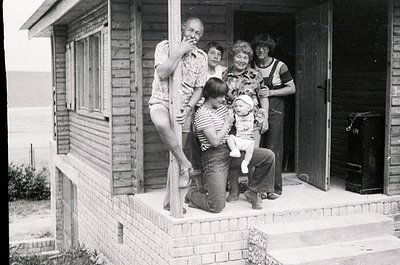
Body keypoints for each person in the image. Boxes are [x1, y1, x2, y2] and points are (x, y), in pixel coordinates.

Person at [185, 77, 276, 212]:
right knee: (216, 205)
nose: (223, 99)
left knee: (268, 156)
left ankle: (253, 191)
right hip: (214, 157)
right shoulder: (202, 114)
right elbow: (215, 142)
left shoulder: (222, 108)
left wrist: (256, 117)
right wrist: (227, 123)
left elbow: (242, 111)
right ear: (210, 95)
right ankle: (192, 195)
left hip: (232, 150)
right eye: (220, 96)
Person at [149, 17, 208, 213]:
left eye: (198, 33)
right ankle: (186, 164)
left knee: (175, 152)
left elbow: (199, 89)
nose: (194, 36)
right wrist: (179, 52)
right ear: (183, 28)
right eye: (191, 30)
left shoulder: (201, 57)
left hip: (184, 109)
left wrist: (189, 107)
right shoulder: (164, 47)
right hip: (161, 100)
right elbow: (163, 73)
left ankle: (170, 201)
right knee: (162, 124)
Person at [221, 40, 278, 202]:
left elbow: (263, 97)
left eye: (245, 57)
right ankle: (234, 190)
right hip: (232, 124)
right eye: (239, 56)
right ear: (233, 57)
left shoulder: (255, 75)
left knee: (254, 156)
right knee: (233, 156)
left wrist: (265, 117)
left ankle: (254, 191)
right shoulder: (226, 75)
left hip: (252, 124)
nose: (242, 60)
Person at [252, 33, 296, 197]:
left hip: (275, 108)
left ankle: (274, 188)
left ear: (269, 49)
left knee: (273, 146)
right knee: (258, 147)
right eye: (258, 47)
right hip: (257, 109)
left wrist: (271, 91)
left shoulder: (280, 66)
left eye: (264, 47)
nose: (261, 50)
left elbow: (292, 88)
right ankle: (260, 187)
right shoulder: (252, 65)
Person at [227, 95, 257, 174]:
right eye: (236, 106)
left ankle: (245, 163)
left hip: (248, 140)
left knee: (250, 150)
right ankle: (234, 150)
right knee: (230, 138)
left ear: (249, 107)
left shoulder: (253, 116)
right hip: (238, 139)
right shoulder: (234, 116)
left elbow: (259, 123)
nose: (238, 108)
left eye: (240, 106)